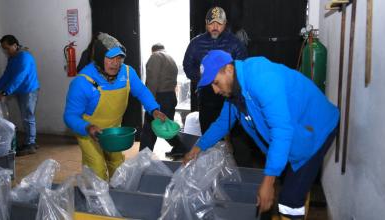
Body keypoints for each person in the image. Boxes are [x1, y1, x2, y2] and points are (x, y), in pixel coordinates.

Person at [183, 50, 340, 220]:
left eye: (215, 83)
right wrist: (198, 147)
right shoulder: (235, 92)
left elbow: (281, 131)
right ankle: (299, 196)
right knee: (289, 184)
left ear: (228, 69)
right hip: (295, 129)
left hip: (316, 128)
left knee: (289, 200)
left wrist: (269, 180)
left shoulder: (262, 78)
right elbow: (222, 123)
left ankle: (296, 205)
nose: (214, 90)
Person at [64, 33, 167, 181]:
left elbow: (142, 91)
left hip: (114, 130)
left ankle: (117, 198)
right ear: (100, 57)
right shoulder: (83, 82)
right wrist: (87, 127)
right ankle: (96, 202)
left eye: (119, 58)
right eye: (110, 58)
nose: (116, 63)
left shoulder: (126, 72)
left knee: (118, 167)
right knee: (97, 171)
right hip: (89, 132)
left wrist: (154, 109)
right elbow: (70, 115)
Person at [183, 6, 259, 167]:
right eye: (211, 23)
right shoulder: (196, 43)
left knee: (238, 134)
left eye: (219, 23)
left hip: (233, 94)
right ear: (206, 24)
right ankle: (210, 169)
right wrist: (205, 80)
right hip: (206, 95)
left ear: (225, 24)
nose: (215, 27)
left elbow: (242, 66)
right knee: (209, 130)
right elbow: (187, 65)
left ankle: (240, 169)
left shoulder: (235, 43)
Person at [0, 35, 40, 156]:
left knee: (28, 117)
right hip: (20, 91)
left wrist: (6, 91)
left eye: (7, 48)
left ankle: (30, 144)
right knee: (26, 117)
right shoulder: (12, 58)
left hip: (29, 91)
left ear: (15, 45)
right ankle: (31, 141)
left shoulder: (24, 57)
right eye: (3, 49)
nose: (6, 51)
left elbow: (19, 76)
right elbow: (7, 75)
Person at [140, 43, 182, 155]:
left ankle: (143, 157)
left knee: (149, 129)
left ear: (153, 50)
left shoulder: (156, 56)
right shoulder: (171, 59)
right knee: (166, 125)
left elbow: (152, 80)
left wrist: (150, 101)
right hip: (170, 96)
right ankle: (179, 147)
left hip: (159, 97)